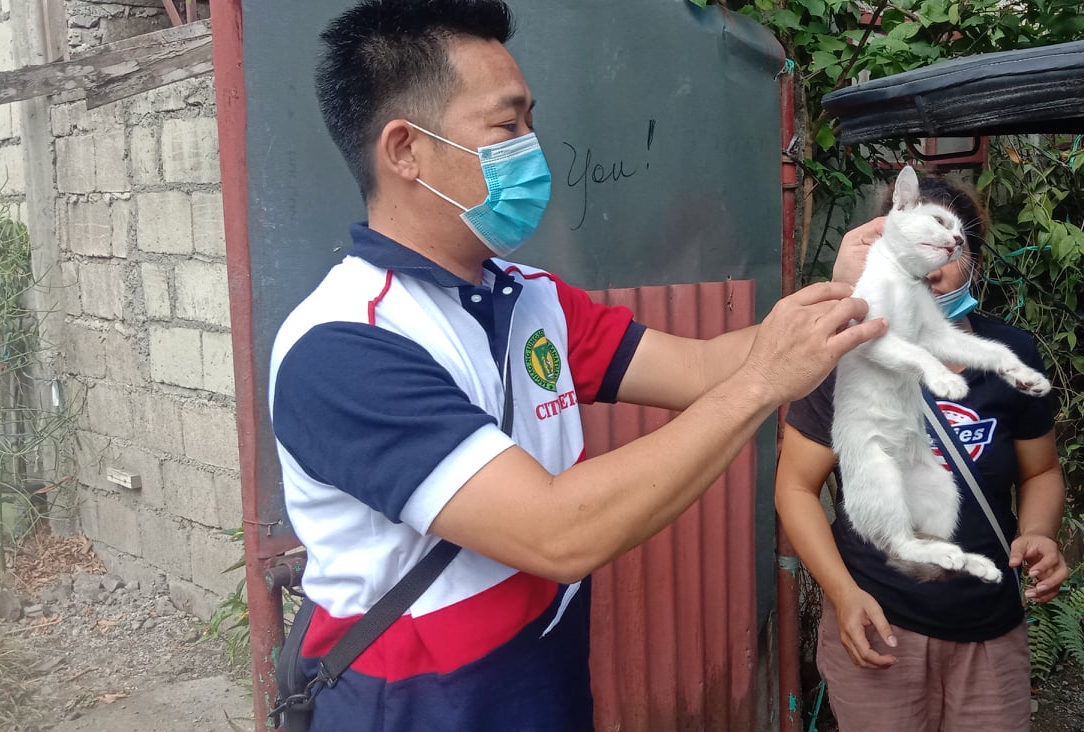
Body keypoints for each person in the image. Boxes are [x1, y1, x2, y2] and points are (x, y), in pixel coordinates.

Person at [268, 1, 886, 730]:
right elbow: (557, 533)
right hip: (416, 708)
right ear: (405, 150)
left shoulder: (532, 300)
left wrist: (855, 294)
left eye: (530, 121)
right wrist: (762, 385)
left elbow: (698, 368)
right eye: (506, 127)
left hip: (543, 684)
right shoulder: (343, 346)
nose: (533, 148)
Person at [775, 174, 1069, 732]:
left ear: (972, 260)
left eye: (949, 249)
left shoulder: (1009, 354)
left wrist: (1039, 532)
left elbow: (1042, 471)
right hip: (880, 623)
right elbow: (794, 487)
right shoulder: (843, 351)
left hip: (991, 629)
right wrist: (843, 595)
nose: (930, 267)